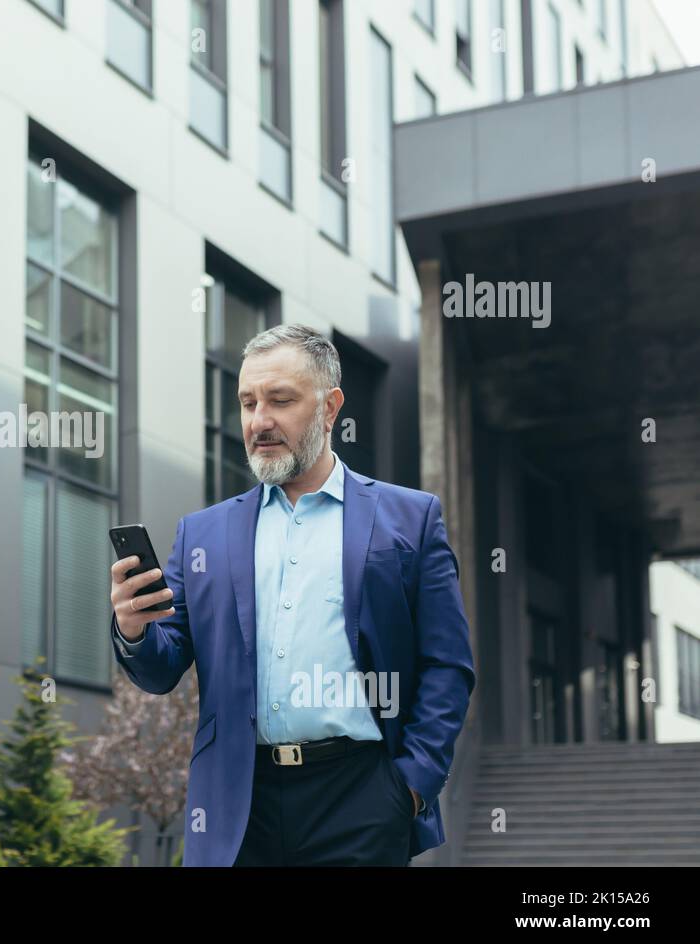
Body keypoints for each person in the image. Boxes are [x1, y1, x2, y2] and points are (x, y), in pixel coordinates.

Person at [109, 324, 474, 866]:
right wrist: (134, 630)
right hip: (237, 805)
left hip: (362, 799)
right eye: (248, 402)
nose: (259, 421)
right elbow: (162, 669)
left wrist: (411, 785)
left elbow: (448, 664)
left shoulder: (410, 519)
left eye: (280, 401)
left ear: (330, 408)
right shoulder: (202, 533)